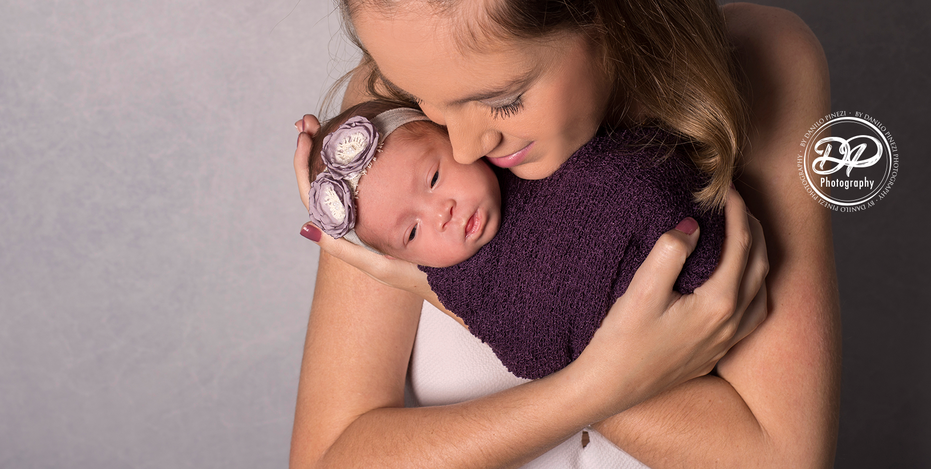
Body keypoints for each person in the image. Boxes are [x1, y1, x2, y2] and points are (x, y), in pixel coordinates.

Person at [289, 0, 839, 469]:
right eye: (429, 99)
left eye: (502, 97)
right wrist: (589, 380)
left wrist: (447, 289)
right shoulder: (388, 126)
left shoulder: (766, 66)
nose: (465, 142)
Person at [302, 98, 725, 379]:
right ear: (401, 259)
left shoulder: (529, 153)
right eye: (412, 232)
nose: (441, 213)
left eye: (433, 178)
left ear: (454, 138)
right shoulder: (468, 289)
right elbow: (535, 352)